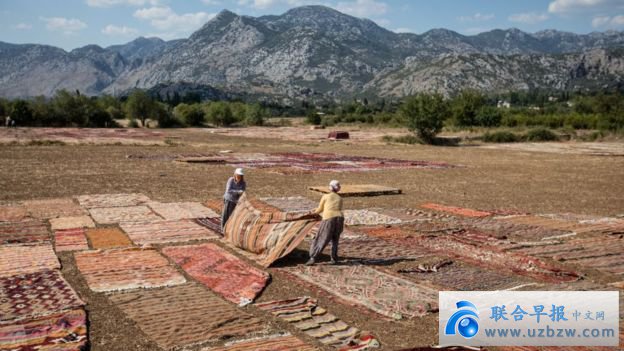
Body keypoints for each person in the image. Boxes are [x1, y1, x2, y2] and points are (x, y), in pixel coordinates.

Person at [306, 180, 344, 265]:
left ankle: (313, 257)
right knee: (335, 239)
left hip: (329, 218)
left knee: (322, 237)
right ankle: (334, 259)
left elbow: (320, 209)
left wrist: (312, 213)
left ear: (330, 187)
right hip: (340, 219)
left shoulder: (326, 196)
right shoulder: (340, 198)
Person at [221, 168, 246, 232]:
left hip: (235, 201)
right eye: (238, 175)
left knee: (232, 216)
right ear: (235, 174)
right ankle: (223, 229)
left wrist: (241, 196)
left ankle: (229, 229)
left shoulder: (243, 183)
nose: (239, 176)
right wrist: (238, 192)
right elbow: (228, 190)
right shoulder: (231, 180)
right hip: (228, 199)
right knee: (225, 215)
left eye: (240, 175)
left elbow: (243, 192)